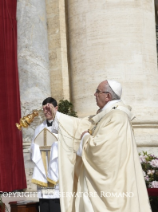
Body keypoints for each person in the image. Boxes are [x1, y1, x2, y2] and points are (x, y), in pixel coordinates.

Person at [46, 80, 151, 212]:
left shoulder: (117, 117)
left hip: (112, 185)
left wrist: (85, 137)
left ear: (108, 96)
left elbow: (102, 150)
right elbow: (80, 124)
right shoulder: (107, 115)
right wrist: (56, 116)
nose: (94, 94)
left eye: (98, 91)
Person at [30, 97, 61, 212]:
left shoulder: (62, 126)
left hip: (57, 170)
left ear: (56, 108)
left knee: (56, 205)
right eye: (44, 109)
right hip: (43, 171)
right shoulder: (38, 129)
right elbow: (32, 148)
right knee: (44, 205)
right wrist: (35, 147)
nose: (46, 111)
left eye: (49, 108)